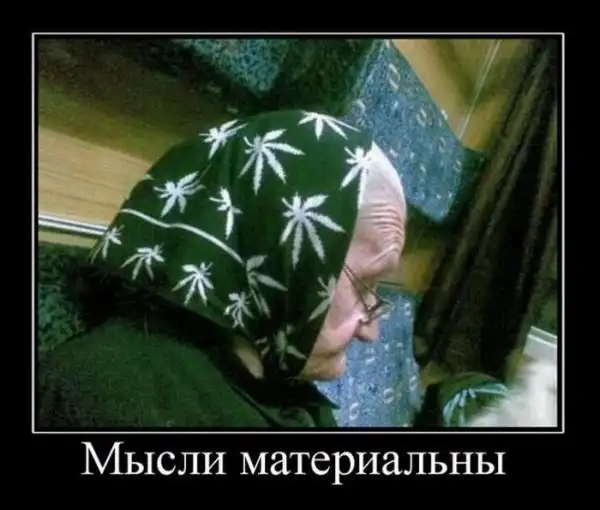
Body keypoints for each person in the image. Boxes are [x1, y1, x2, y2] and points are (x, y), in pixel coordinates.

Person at [37, 109, 407, 429]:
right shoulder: (107, 396)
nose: (372, 332)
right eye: (365, 284)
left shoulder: (276, 375)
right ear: (280, 252)